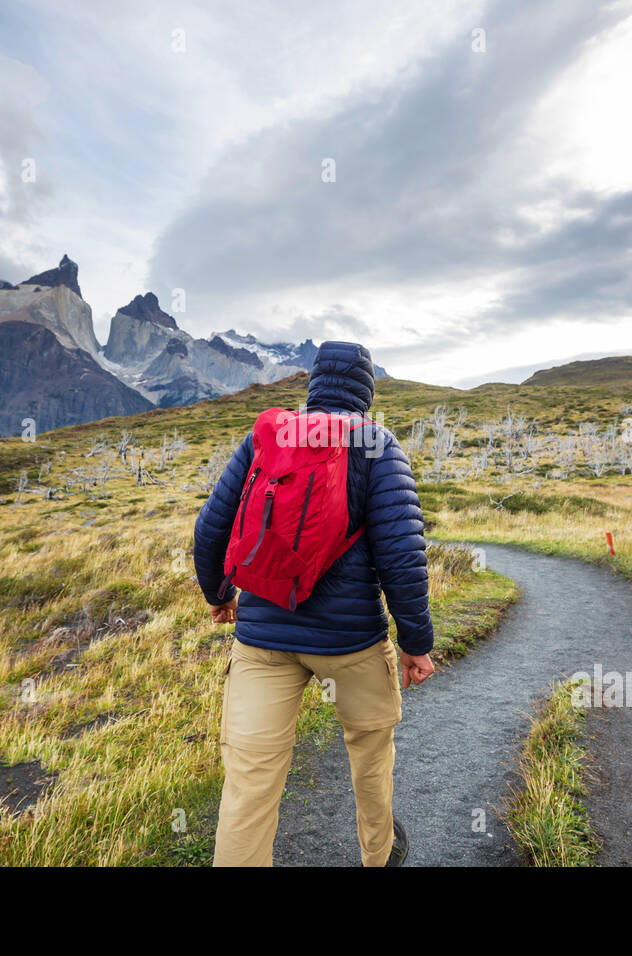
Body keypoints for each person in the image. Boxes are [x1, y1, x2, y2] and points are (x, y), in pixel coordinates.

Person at [193, 340, 435, 866]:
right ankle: (380, 855)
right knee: (370, 760)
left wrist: (218, 595)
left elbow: (210, 528)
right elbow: (403, 557)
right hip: (351, 645)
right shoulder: (376, 444)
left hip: (262, 641)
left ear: (314, 385)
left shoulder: (268, 438)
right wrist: (416, 644)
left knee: (250, 783)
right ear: (365, 391)